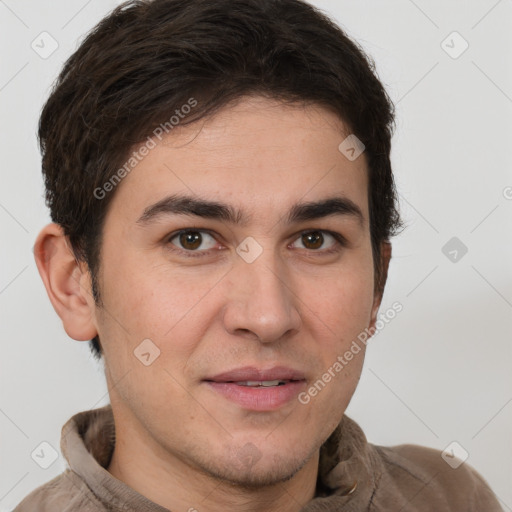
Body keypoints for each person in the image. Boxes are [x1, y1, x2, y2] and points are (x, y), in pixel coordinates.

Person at [15, 0, 503, 510]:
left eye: (315, 239)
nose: (268, 316)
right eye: (193, 240)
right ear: (73, 284)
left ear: (378, 282)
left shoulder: (450, 498)